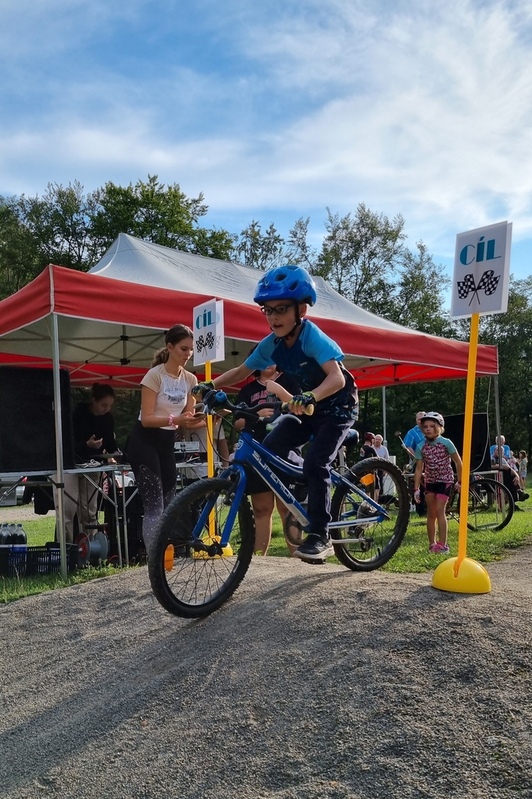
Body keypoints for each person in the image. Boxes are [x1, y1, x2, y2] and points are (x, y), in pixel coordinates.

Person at [193, 264, 359, 563]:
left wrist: (310, 395)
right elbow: (242, 371)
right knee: (270, 448)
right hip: (310, 408)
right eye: (268, 310)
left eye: (281, 309)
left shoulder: (312, 337)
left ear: (302, 310)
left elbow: (337, 379)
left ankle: (320, 534)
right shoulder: (272, 344)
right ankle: (305, 487)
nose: (273, 317)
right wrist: (210, 385)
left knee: (316, 462)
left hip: (338, 408)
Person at [126, 324, 201, 555]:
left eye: (191, 349)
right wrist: (176, 419)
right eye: (183, 349)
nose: (188, 354)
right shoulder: (154, 375)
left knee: (169, 505)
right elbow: (147, 419)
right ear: (169, 347)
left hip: (166, 443)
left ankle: (164, 556)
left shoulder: (190, 379)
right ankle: (154, 559)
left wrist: (210, 420)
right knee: (154, 507)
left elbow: (188, 419)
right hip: (144, 441)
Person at [234, 364, 300, 555]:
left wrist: (279, 393)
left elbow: (301, 408)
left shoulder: (290, 381)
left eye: (272, 356)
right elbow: (237, 422)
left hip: (286, 450)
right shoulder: (248, 390)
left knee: (288, 508)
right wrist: (254, 414)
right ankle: (259, 560)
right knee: (261, 508)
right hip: (256, 452)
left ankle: (299, 558)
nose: (267, 361)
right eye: (262, 357)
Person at [56, 383, 117, 543]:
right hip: (70, 465)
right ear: (93, 400)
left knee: (89, 510)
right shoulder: (77, 415)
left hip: (93, 465)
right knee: (67, 508)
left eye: (110, 406)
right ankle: (66, 547)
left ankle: (91, 547)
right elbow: (67, 443)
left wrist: (116, 454)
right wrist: (86, 444)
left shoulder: (108, 419)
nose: (106, 409)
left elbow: (110, 443)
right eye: (103, 405)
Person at [413, 412, 462, 555]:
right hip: (430, 481)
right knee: (431, 513)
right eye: (425, 426)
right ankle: (432, 544)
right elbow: (419, 468)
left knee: (440, 511)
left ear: (439, 427)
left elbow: (458, 462)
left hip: (445, 480)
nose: (428, 429)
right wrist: (416, 488)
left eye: (432, 426)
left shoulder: (446, 443)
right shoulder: (421, 446)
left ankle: (443, 544)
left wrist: (460, 481)